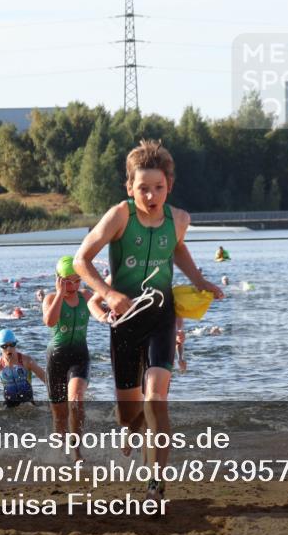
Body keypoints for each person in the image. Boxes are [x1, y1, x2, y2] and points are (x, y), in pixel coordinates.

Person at [73, 139, 224, 502]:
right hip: (126, 320)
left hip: (161, 316)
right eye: (143, 188)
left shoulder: (179, 219)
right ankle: (131, 427)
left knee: (156, 396)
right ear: (130, 187)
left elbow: (178, 246)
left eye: (158, 187)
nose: (151, 195)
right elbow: (81, 261)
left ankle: (156, 485)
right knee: (129, 415)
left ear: (168, 185)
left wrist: (199, 280)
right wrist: (108, 293)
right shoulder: (119, 216)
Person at [42, 255, 97, 461]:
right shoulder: (50, 299)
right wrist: (59, 294)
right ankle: (58, 455)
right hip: (56, 359)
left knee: (75, 400)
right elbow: (50, 321)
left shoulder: (86, 296)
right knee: (59, 416)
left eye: (77, 280)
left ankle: (76, 450)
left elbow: (103, 309)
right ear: (58, 279)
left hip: (79, 356)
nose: (73, 286)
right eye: (68, 281)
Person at [0, 328, 47, 407]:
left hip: (28, 405)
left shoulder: (26, 361)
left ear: (16, 344)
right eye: (4, 346)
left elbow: (45, 378)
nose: (9, 349)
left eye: (12, 345)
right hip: (9, 405)